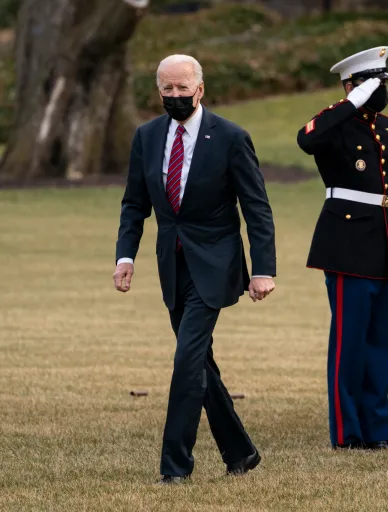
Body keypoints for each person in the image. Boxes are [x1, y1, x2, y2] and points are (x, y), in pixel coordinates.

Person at [113, 54, 277, 484]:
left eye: (182, 88)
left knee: (186, 360)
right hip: (172, 264)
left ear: (200, 89)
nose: (175, 95)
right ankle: (240, 453)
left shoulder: (230, 137)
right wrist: (125, 256)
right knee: (200, 363)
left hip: (216, 263)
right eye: (167, 89)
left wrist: (263, 269)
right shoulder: (147, 137)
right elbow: (134, 203)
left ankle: (175, 467)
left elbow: (256, 208)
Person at [296, 47, 388, 450]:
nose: (381, 91)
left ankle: (377, 434)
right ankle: (348, 435)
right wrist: (350, 103)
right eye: (372, 84)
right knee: (350, 345)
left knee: (381, 347)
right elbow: (306, 140)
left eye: (384, 83)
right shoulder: (335, 123)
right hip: (347, 245)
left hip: (383, 246)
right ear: (352, 85)